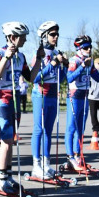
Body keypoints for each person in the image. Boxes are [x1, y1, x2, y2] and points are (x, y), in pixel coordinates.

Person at [0, 21, 41, 194]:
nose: (25, 40)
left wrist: (39, 59)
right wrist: (6, 58)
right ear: (12, 37)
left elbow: (31, 77)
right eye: (23, 37)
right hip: (2, 97)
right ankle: (0, 178)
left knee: (11, 139)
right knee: (5, 139)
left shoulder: (21, 57)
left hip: (15, 98)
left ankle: (8, 175)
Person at [30, 21, 68, 179]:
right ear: (44, 36)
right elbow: (35, 78)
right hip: (41, 94)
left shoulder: (56, 52)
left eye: (57, 34)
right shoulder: (39, 53)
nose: (56, 36)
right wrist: (52, 64)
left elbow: (62, 79)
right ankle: (36, 166)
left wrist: (64, 65)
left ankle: (46, 164)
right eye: (52, 34)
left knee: (49, 131)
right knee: (39, 129)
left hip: (53, 94)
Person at [65, 35, 99, 170]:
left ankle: (78, 155)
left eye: (90, 47)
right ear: (79, 48)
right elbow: (69, 78)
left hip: (85, 96)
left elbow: (98, 77)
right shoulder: (75, 61)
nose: (89, 49)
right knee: (71, 127)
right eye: (86, 47)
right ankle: (70, 156)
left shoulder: (88, 62)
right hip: (74, 96)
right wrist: (82, 66)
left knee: (81, 128)